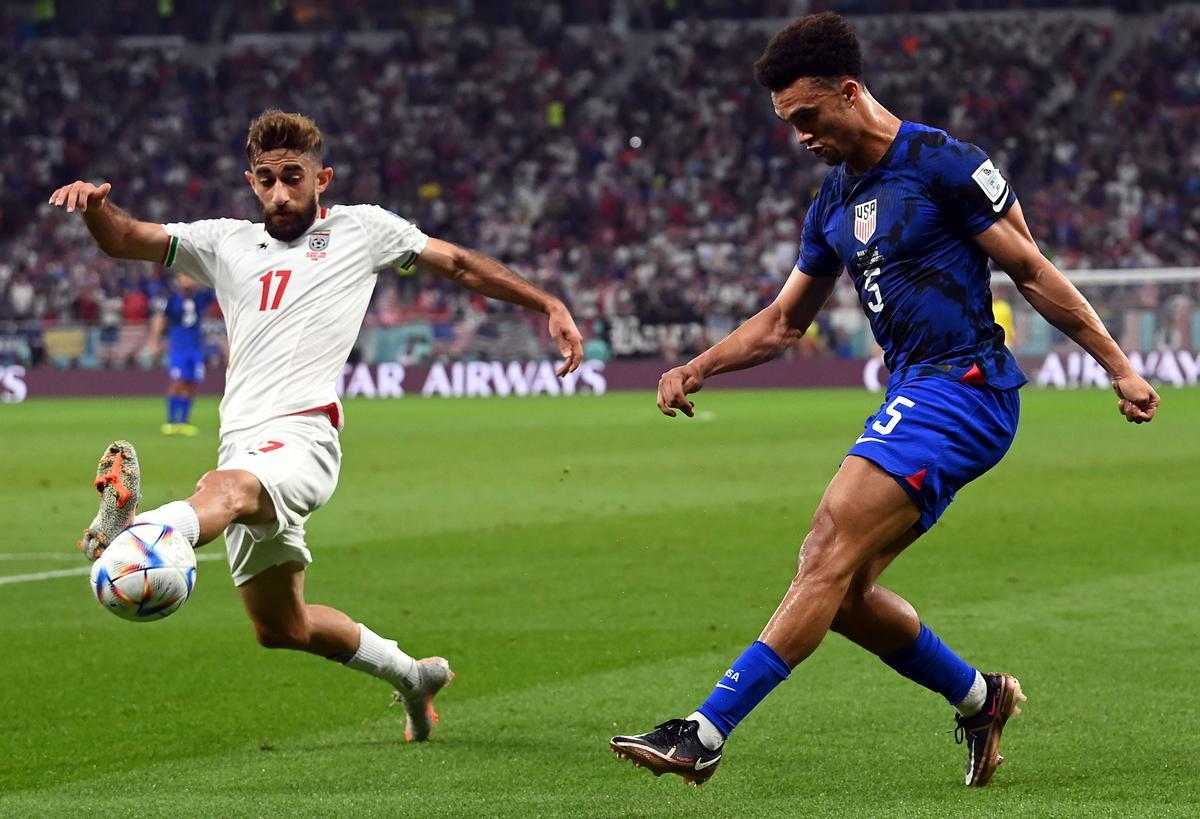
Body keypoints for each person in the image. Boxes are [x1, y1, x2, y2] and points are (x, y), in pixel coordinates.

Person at [609, 13, 1159, 788]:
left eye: (808, 116)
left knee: (825, 543)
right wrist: (697, 366)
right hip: (916, 391)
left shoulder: (942, 163)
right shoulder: (832, 203)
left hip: (963, 385)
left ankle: (703, 730)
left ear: (850, 91)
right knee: (843, 593)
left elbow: (1031, 270)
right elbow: (781, 323)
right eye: (787, 124)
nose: (800, 136)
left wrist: (1118, 365)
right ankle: (980, 696)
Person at [49, 109, 583, 742]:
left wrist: (546, 302)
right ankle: (413, 678)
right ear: (252, 181)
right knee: (283, 628)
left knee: (226, 488)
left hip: (302, 437)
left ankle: (136, 531)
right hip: (243, 441)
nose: (280, 192)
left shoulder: (363, 228)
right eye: (268, 180)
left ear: (321, 177)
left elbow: (460, 265)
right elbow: (126, 237)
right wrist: (93, 209)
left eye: (293, 177)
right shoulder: (225, 242)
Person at [148, 274, 216, 436]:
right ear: (178, 279)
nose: (187, 280)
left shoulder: (200, 297)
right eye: (184, 277)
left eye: (190, 276)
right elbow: (161, 320)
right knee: (178, 382)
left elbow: (214, 287)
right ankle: (171, 421)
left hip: (196, 348)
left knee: (192, 384)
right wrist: (154, 342)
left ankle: (184, 421)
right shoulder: (172, 299)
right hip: (179, 348)